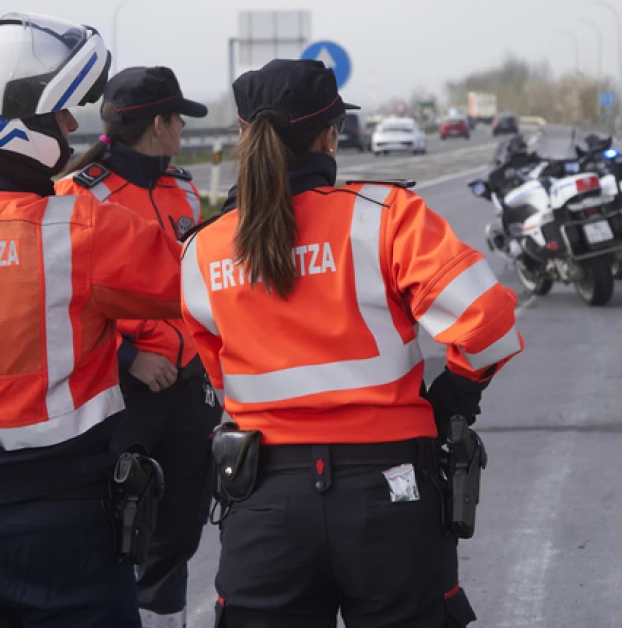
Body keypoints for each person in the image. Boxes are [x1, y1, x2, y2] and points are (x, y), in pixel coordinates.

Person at [180, 58, 524, 628]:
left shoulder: (203, 250)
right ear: (330, 135)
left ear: (245, 137)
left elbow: (218, 375)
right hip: (390, 493)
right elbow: (487, 319)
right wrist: (455, 396)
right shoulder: (385, 217)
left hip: (263, 502)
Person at [0, 13, 184, 627]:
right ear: (19, 124)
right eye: (58, 115)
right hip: (57, 514)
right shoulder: (78, 229)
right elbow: (205, 286)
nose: (73, 126)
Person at [56, 66, 223, 628]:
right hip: (120, 386)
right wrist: (130, 357)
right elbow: (61, 297)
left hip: (188, 384)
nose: (182, 130)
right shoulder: (78, 195)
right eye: (179, 119)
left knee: (180, 523)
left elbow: (194, 281)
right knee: (116, 522)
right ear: (160, 123)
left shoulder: (183, 186)